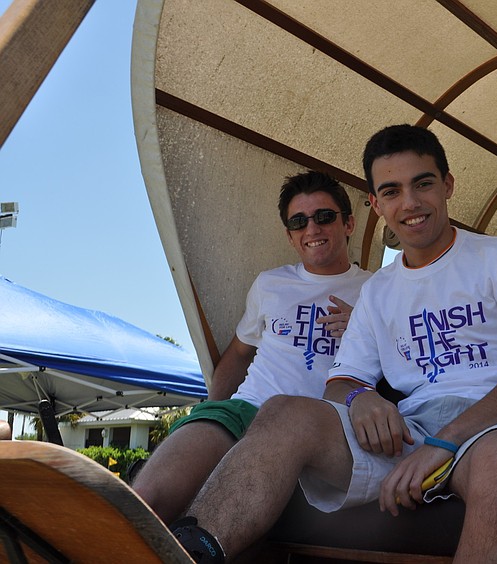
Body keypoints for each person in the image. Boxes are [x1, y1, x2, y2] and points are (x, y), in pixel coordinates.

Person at [173, 125, 497, 563]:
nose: (410, 202)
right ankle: (193, 552)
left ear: (447, 185)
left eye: (423, 183)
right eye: (391, 191)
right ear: (376, 204)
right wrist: (362, 399)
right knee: (283, 411)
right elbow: (342, 382)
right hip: (413, 430)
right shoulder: (378, 290)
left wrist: (444, 444)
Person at [131, 171, 371, 524]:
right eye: (299, 222)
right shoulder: (270, 284)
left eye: (324, 216)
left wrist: (364, 330)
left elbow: (407, 369)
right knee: (147, 499)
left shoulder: (377, 290)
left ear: (348, 223)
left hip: (322, 424)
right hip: (248, 407)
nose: (312, 229)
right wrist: (212, 410)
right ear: (290, 236)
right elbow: (239, 353)